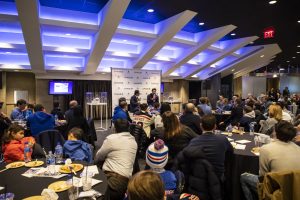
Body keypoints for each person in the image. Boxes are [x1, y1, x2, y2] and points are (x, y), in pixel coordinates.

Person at [241, 121, 300, 200]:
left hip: (275, 191)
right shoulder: (298, 148)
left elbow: (263, 178)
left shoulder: (266, 149)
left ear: (275, 132)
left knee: (244, 176)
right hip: (295, 189)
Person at [94, 119, 137, 200]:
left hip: (113, 182)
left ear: (114, 129)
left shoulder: (111, 138)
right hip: (125, 182)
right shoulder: (133, 141)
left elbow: (99, 156)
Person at [189, 114, 233, 180]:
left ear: (201, 126)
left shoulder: (193, 141)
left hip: (199, 176)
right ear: (215, 127)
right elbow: (231, 151)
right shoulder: (223, 139)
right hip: (217, 176)